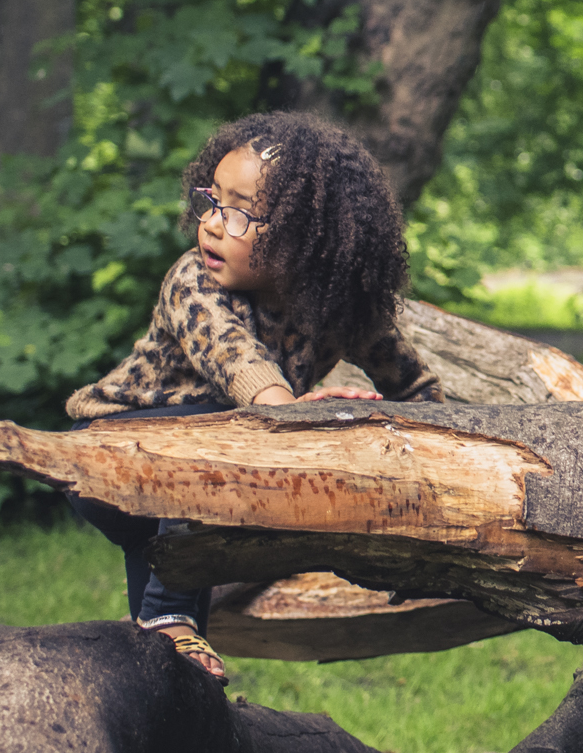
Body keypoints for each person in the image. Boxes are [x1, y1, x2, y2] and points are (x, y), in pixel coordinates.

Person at [63, 112, 442, 679]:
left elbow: (414, 386)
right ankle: (168, 616)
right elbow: (235, 358)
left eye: (239, 211)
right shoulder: (193, 281)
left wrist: (444, 438)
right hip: (110, 449)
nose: (213, 224)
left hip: (194, 476)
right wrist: (286, 413)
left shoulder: (338, 307)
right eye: (211, 201)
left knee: (170, 650)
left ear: (307, 235)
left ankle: (168, 664)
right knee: (224, 436)